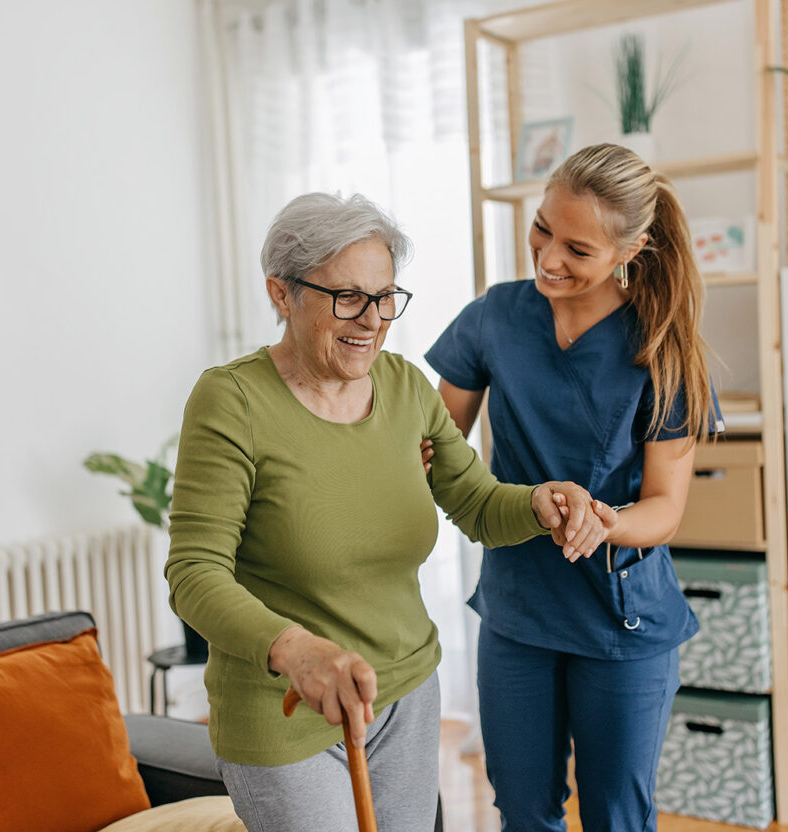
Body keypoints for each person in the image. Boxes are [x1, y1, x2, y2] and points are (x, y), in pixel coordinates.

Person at [165, 192, 600, 832]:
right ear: (281, 295)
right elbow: (195, 573)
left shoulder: (404, 388)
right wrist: (294, 649)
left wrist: (539, 502)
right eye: (346, 297)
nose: (372, 320)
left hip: (406, 693)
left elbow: (478, 505)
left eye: (384, 297)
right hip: (285, 704)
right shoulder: (231, 401)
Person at [424, 143, 723, 832]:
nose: (549, 258)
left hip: (622, 620)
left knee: (618, 817)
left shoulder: (664, 347)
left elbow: (665, 508)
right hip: (518, 612)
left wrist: (604, 521)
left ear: (632, 249)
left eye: (578, 249)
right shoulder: (494, 318)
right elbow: (435, 448)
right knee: (524, 813)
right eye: (542, 230)